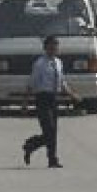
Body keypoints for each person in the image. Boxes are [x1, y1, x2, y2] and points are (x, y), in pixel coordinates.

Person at [21, 35, 70, 169]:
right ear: (45, 48)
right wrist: (25, 103)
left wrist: (72, 94)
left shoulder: (58, 63)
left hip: (54, 98)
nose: (53, 49)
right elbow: (31, 83)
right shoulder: (40, 64)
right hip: (42, 98)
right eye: (50, 47)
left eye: (55, 47)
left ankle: (47, 156)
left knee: (53, 131)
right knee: (49, 130)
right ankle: (34, 146)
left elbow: (61, 81)